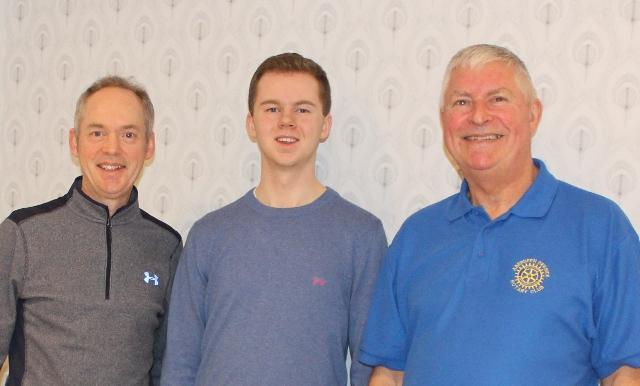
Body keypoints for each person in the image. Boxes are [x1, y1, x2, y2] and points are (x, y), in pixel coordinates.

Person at [360, 44, 640, 385]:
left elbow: (625, 373)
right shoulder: (416, 235)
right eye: (461, 101)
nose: (478, 116)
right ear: (444, 120)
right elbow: (389, 372)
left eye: (498, 99)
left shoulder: (600, 227)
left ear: (533, 114)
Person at [161, 53, 387, 386]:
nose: (286, 121)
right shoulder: (208, 235)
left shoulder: (361, 235)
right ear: (251, 124)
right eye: (272, 109)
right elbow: (180, 364)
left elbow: (370, 369)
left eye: (302, 109)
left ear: (325, 125)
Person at [0, 76, 182, 385]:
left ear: (149, 145)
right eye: (97, 133)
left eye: (128, 134)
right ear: (75, 142)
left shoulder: (166, 246)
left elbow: (166, 367)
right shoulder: (22, 234)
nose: (112, 149)